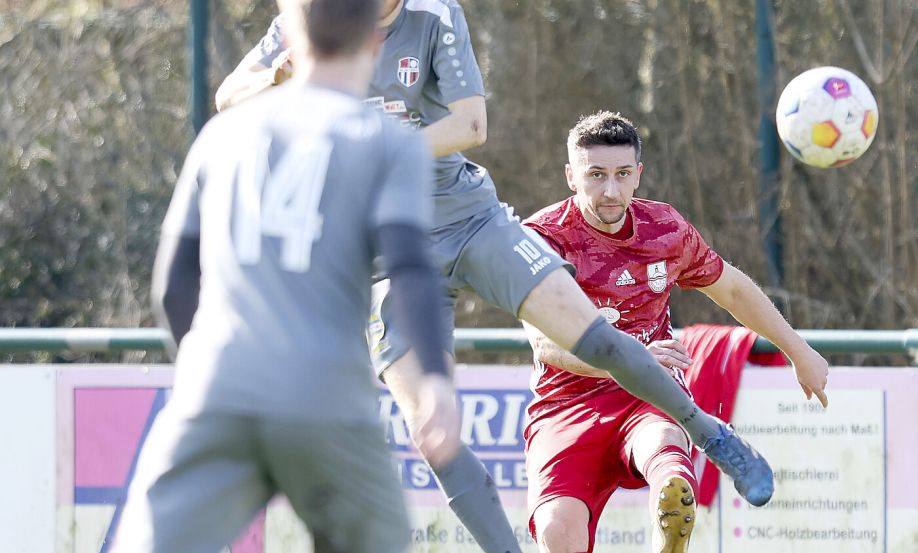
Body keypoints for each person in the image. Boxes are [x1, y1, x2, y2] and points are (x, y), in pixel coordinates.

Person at [217, 3, 806, 552]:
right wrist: (274, 78)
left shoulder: (433, 12)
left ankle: (709, 434)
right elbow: (228, 98)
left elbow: (471, 123)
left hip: (471, 221)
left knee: (596, 337)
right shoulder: (311, 18)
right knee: (434, 434)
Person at [110, 0, 460, 551]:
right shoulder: (387, 142)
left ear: (289, 47)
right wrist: (436, 378)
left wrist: (211, 370)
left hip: (218, 388)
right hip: (326, 397)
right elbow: (411, 266)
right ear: (375, 43)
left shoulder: (223, 136)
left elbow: (173, 286)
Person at [520, 111, 831, 553]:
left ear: (638, 175)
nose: (610, 190)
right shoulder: (543, 237)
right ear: (572, 176)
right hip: (567, 403)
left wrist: (798, 350)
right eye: (596, 175)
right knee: (557, 533)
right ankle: (708, 440)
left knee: (667, 462)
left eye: (622, 174)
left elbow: (734, 290)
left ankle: (671, 528)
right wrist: (628, 361)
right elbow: (545, 343)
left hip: (649, 392)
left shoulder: (664, 229)